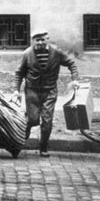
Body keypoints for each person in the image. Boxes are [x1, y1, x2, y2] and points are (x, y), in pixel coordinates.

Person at [12, 29, 79, 157]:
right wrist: (16, 90)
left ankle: (43, 147)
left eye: (43, 39)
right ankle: (18, 143)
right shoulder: (27, 54)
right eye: (38, 40)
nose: (41, 42)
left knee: (47, 121)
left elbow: (72, 64)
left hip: (50, 91)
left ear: (47, 39)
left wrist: (75, 79)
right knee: (32, 120)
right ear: (33, 41)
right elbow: (19, 73)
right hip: (32, 91)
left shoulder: (56, 52)